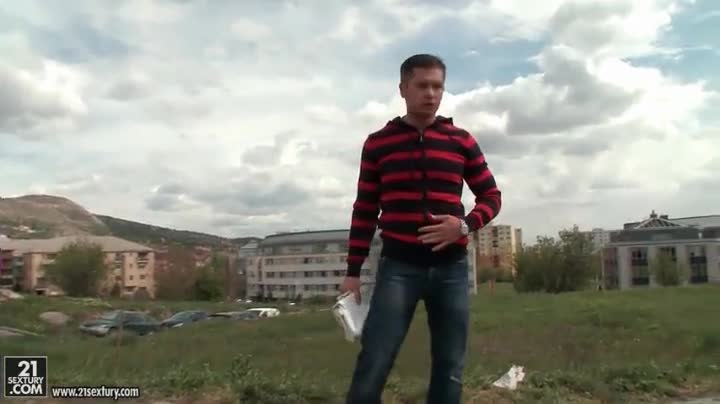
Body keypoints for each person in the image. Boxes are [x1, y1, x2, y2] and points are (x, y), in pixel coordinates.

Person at [340, 53, 502, 404]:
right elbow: (365, 209)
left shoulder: (461, 140)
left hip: (451, 269)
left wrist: (464, 226)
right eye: (422, 85)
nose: (431, 94)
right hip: (399, 268)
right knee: (375, 357)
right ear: (403, 89)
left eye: (438, 86)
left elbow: (491, 196)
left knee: (450, 365)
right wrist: (352, 272)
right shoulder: (378, 143)